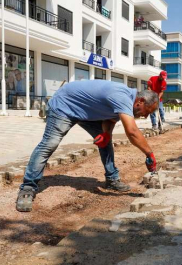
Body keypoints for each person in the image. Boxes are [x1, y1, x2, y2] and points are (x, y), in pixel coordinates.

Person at [16, 80, 159, 212]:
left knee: (106, 143)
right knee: (49, 143)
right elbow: (132, 131)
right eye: (148, 111)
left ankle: (112, 179)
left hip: (86, 112)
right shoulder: (123, 97)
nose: (146, 116)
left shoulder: (127, 100)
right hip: (65, 105)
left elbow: (110, 118)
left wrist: (106, 134)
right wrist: (149, 154)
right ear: (140, 101)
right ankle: (28, 187)